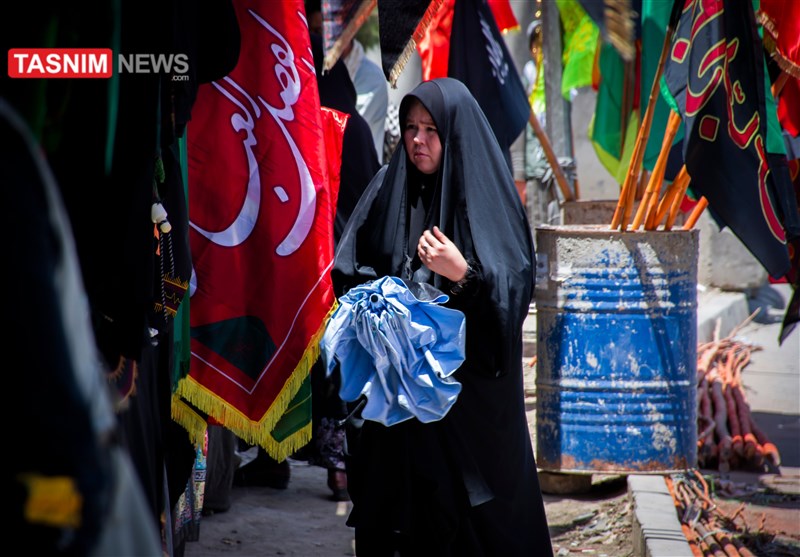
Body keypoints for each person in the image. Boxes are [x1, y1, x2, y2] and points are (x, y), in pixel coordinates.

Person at [331, 78, 554, 556]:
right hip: (398, 412)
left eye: (431, 130)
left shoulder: (485, 199)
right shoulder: (390, 188)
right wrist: (382, 304)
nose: (417, 140)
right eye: (410, 128)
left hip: (465, 410)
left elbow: (511, 294)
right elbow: (350, 265)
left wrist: (463, 275)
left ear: (452, 135)